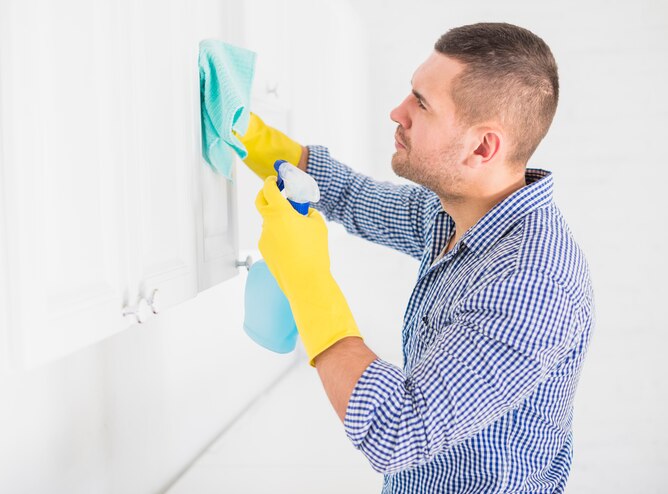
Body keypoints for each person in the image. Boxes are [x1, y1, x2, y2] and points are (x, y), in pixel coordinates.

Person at [235, 22, 594, 494]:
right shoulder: (456, 211)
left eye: (421, 104)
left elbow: (397, 429)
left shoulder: (533, 282)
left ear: (482, 147)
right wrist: (259, 141)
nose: (397, 112)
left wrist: (308, 282)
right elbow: (353, 198)